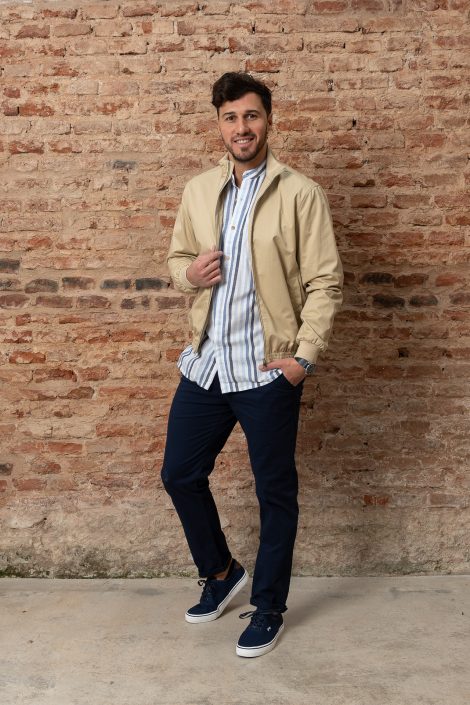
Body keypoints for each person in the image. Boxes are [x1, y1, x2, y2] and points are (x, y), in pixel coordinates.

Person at [161, 72, 343, 658]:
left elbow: (325, 282)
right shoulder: (199, 190)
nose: (242, 127)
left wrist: (303, 358)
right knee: (180, 474)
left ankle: (268, 607)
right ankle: (220, 574)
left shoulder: (300, 193)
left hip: (267, 371)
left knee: (275, 493)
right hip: (208, 364)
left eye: (251, 116)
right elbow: (178, 258)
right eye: (231, 117)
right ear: (218, 124)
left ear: (268, 120)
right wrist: (188, 274)